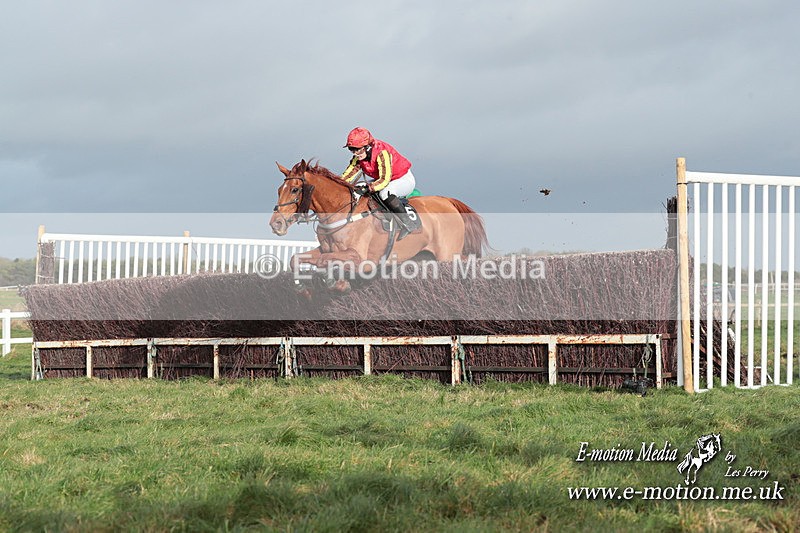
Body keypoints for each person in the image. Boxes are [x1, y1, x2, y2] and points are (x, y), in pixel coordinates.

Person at [341, 127, 421, 239]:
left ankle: (408, 224)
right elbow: (347, 176)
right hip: (384, 180)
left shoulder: (382, 153)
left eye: (357, 149)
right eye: (351, 149)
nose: (355, 153)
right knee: (358, 186)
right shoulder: (358, 157)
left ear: (367, 147)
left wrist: (368, 188)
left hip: (402, 179)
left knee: (385, 193)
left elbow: (384, 180)